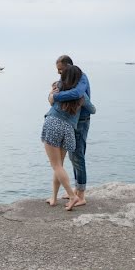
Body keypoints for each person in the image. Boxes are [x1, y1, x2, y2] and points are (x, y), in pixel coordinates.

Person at [41, 64, 95, 210]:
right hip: (69, 128)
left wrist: (52, 93)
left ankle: (72, 196)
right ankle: (53, 198)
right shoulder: (81, 95)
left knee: (57, 166)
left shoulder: (59, 89)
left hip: (53, 124)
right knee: (60, 165)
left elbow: (51, 101)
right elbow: (93, 109)